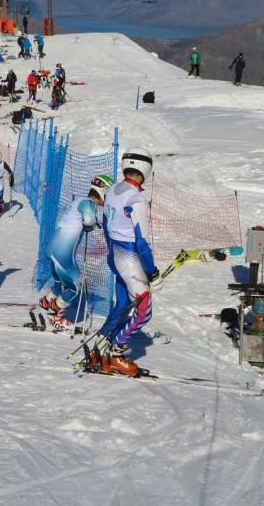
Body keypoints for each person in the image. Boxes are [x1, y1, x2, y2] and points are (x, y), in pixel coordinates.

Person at [92, 148, 160, 376]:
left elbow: (105, 222)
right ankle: (116, 354)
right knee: (143, 311)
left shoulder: (112, 189)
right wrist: (152, 271)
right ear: (146, 169)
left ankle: (100, 347)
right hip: (129, 257)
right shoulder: (136, 200)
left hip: (115, 254)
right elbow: (141, 243)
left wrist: (114, 252)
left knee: (122, 306)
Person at [39, 175, 112, 330]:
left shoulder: (79, 200)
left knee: (60, 283)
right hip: (62, 254)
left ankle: (45, 305)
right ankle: (54, 317)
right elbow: (88, 221)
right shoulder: (89, 203)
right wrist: (92, 224)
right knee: (76, 286)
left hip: (52, 250)